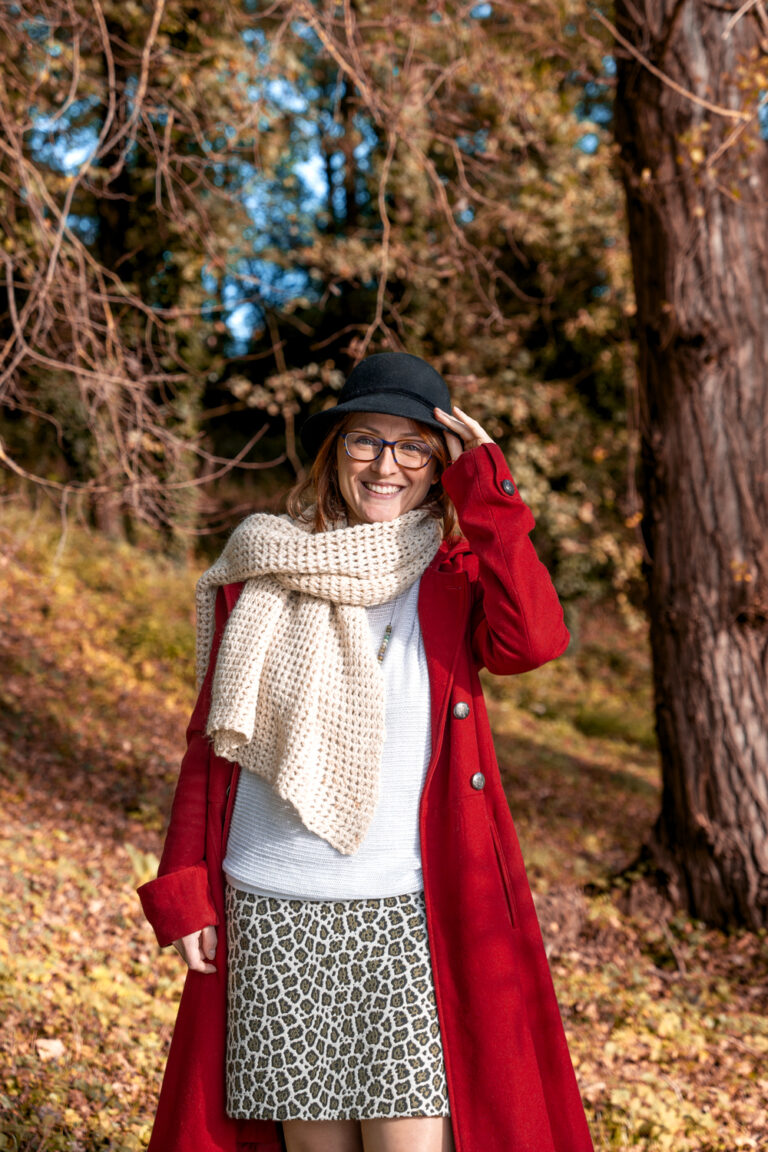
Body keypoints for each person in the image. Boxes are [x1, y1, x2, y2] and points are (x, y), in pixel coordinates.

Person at [139, 352, 595, 1152]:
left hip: (406, 914)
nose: (386, 465)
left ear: (437, 464)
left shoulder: (454, 572)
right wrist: (185, 887)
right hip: (272, 909)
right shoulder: (264, 560)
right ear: (333, 452)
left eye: (412, 445)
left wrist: (487, 487)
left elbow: (535, 640)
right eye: (364, 441)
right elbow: (209, 743)